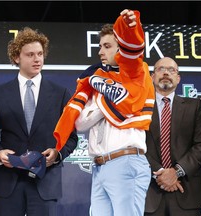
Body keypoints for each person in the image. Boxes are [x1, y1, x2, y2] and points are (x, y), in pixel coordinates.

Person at [54, 9, 155, 216]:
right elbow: (80, 123)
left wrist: (104, 94)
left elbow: (129, 107)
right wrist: (105, 91)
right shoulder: (96, 80)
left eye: (107, 46)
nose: (100, 52)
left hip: (126, 161)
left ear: (122, 48)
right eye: (100, 46)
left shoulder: (140, 76)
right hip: (100, 166)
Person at [0, 27, 78, 216]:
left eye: (40, 54)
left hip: (44, 182)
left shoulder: (60, 93)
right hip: (8, 182)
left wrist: (57, 153)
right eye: (30, 55)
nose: (37, 59)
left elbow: (71, 137)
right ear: (17, 57)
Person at [144, 57, 201, 216]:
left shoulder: (194, 106)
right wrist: (160, 172)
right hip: (149, 193)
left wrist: (176, 172)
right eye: (160, 69)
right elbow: (135, 145)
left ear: (178, 78)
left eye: (171, 70)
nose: (166, 72)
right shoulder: (140, 107)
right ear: (152, 77)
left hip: (187, 191)